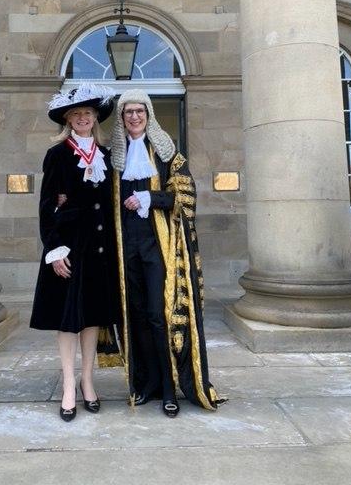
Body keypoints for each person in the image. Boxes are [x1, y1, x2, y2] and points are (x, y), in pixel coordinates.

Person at [110, 89, 222, 417]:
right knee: (137, 316)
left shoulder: (168, 153)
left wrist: (151, 198)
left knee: (159, 316)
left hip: (157, 246)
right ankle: (147, 384)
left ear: (148, 115)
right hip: (125, 246)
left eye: (139, 111)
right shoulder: (112, 157)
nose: (134, 117)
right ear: (121, 118)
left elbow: (186, 198)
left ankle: (170, 388)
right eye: (128, 112)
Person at [30, 83, 120, 422]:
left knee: (93, 317)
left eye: (88, 113)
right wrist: (54, 249)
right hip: (69, 249)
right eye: (77, 114)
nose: (83, 118)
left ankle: (88, 380)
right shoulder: (57, 155)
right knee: (68, 320)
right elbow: (46, 206)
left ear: (95, 118)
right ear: (68, 119)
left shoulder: (107, 156)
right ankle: (69, 384)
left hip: (99, 251)